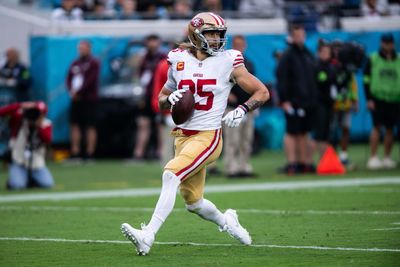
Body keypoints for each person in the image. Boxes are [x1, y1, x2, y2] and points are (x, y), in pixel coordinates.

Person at [121, 12, 269, 255]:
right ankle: (228, 222)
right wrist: (170, 98)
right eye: (210, 34)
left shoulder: (229, 60)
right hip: (182, 136)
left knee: (170, 174)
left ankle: (147, 234)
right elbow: (160, 101)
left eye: (218, 35)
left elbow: (262, 92)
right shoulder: (178, 58)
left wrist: (243, 109)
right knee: (194, 202)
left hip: (208, 136)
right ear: (195, 34)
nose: (215, 39)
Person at [276, 24, 317, 174]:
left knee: (304, 132)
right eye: (297, 35)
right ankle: (292, 163)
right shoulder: (287, 56)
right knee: (292, 132)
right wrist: (284, 100)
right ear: (292, 37)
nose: (300, 38)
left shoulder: (307, 54)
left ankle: (304, 162)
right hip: (292, 101)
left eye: (302, 35)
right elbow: (282, 79)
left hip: (307, 102)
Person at [363, 33, 399, 169]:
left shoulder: (398, 59)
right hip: (378, 98)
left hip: (395, 98)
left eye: (390, 42)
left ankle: (387, 157)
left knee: (390, 128)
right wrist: (369, 99)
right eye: (385, 42)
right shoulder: (373, 58)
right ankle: (373, 157)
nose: (388, 45)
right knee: (376, 127)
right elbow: (366, 80)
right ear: (381, 43)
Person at [223, 35, 257, 178]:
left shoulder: (249, 64)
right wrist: (227, 95)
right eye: (237, 44)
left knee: (246, 139)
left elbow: (255, 86)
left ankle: (244, 165)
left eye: (241, 44)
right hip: (232, 108)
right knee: (232, 139)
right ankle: (231, 166)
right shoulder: (226, 63)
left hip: (247, 108)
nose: (239, 47)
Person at [0, 102, 54, 190]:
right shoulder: (19, 120)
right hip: (18, 159)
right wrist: (20, 105)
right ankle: (15, 179)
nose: (34, 115)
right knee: (18, 186)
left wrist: (38, 125)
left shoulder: (46, 124)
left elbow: (47, 139)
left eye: (38, 113)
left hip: (36, 162)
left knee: (47, 184)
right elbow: (1, 112)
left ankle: (30, 179)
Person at [133, 34, 166, 160]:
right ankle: (138, 153)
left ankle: (161, 152)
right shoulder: (144, 58)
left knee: (160, 125)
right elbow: (139, 76)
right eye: (149, 41)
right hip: (146, 96)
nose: (152, 44)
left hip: (159, 95)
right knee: (143, 124)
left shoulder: (163, 58)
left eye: (154, 41)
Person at [66, 40, 100, 160]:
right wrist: (72, 91)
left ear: (89, 48)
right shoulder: (75, 63)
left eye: (84, 48)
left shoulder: (94, 63)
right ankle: (75, 152)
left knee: (90, 125)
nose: (81, 50)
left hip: (89, 99)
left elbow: (90, 80)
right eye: (80, 48)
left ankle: (90, 152)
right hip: (76, 99)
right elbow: (69, 78)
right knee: (75, 125)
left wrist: (79, 92)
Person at [330, 40, 359, 166]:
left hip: (345, 101)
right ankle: (331, 157)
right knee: (332, 130)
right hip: (332, 103)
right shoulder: (329, 64)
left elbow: (352, 83)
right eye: (335, 48)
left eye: (339, 48)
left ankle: (343, 155)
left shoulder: (347, 65)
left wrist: (355, 99)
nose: (337, 51)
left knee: (345, 128)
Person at [313, 40, 336, 157]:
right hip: (319, 104)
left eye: (328, 52)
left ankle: (325, 159)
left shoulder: (332, 67)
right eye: (323, 52)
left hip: (329, 104)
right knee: (319, 134)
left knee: (327, 134)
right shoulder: (316, 66)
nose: (326, 54)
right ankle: (309, 161)